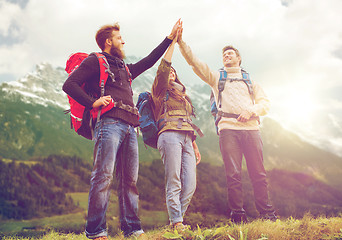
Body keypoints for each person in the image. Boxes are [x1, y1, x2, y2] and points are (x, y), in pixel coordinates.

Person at [62, 20, 181, 239]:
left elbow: (149, 61)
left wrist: (169, 38)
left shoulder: (124, 68)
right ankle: (96, 231)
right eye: (119, 38)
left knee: (130, 181)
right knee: (103, 176)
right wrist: (92, 102)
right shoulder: (94, 61)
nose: (122, 41)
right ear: (108, 42)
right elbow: (69, 84)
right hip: (109, 124)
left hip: (130, 126)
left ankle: (132, 229)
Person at [176, 26, 277, 223]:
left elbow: (265, 103)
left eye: (230, 53)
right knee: (233, 175)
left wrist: (252, 110)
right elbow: (195, 63)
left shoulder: (250, 82)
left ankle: (267, 214)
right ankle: (238, 216)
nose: (226, 56)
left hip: (252, 129)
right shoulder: (217, 78)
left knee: (259, 173)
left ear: (239, 59)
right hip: (228, 130)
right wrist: (181, 43)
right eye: (224, 54)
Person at [151, 29, 201, 230]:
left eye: (174, 72)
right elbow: (164, 67)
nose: (171, 72)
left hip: (187, 138)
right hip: (169, 135)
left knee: (190, 184)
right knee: (174, 179)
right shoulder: (159, 90)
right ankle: (177, 222)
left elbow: (188, 120)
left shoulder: (183, 95)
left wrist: (195, 145)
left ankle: (174, 222)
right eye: (169, 71)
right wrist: (173, 43)